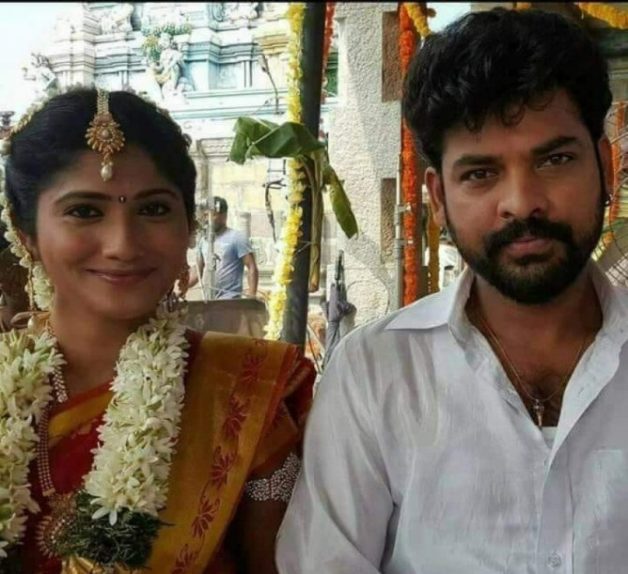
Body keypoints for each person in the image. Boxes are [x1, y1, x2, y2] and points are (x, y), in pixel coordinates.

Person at [276, 7, 628, 572]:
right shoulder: (376, 373)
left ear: (606, 166)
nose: (522, 203)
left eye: (555, 159)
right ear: (438, 198)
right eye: (481, 174)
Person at [0, 87, 314, 573]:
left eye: (153, 209)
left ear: (189, 226)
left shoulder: (244, 389)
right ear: (28, 237)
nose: (122, 244)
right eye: (84, 211)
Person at [191, 196, 259, 300]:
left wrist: (251, 296)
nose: (208, 219)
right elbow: (197, 272)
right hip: (208, 300)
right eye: (205, 215)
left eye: (213, 215)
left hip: (230, 300)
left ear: (224, 216)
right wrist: (179, 290)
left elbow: (251, 266)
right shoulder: (203, 241)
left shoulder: (237, 238)